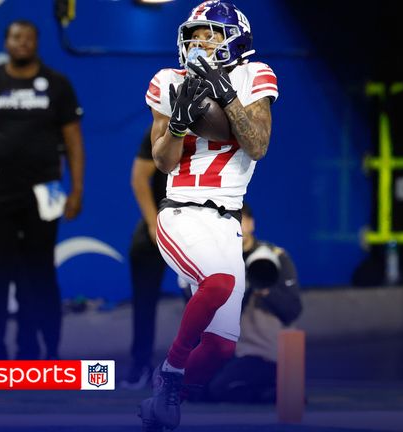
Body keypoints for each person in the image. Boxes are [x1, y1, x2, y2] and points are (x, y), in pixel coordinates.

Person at [138, 1, 278, 430]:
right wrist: (178, 126)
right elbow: (161, 162)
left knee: (220, 347)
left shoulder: (254, 75)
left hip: (228, 222)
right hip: (181, 211)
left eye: (209, 34)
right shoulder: (169, 81)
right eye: (194, 34)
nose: (199, 41)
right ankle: (172, 371)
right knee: (219, 283)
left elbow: (257, 145)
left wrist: (226, 94)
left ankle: (164, 398)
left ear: (234, 38)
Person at [0, 19, 85, 361]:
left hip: (46, 195)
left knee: (39, 276)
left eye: (28, 37)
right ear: (6, 42)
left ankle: (40, 351)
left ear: (37, 42)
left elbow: (73, 141)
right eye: (16, 37)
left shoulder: (58, 85)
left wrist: (77, 190)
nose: (22, 42)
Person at [204, 203, 301, 403]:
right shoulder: (219, 261)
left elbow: (293, 310)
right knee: (194, 388)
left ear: (250, 224)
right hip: (232, 352)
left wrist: (264, 288)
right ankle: (269, 390)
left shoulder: (274, 258)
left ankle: (276, 388)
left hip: (264, 352)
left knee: (218, 390)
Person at [121, 129, 169, 390]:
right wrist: (153, 225)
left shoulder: (217, 130)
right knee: (144, 299)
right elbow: (139, 179)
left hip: (202, 225)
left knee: (212, 294)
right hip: (161, 222)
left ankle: (208, 365)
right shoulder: (160, 129)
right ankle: (140, 364)